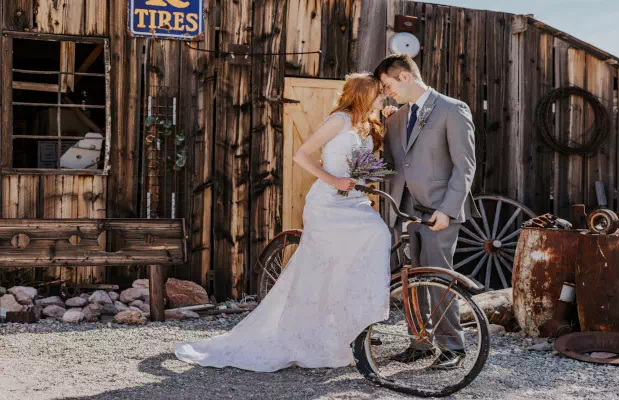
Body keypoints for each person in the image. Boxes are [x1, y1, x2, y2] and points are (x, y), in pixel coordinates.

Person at [172, 73, 392, 372]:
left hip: (354, 202)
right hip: (328, 203)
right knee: (324, 268)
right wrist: (335, 180)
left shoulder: (366, 125)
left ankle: (350, 328)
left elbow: (364, 164)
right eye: (380, 93)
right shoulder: (339, 120)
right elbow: (300, 155)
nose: (384, 97)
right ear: (365, 94)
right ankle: (304, 335)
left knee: (374, 239)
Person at [374, 54, 479, 370]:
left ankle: (453, 348)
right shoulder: (394, 119)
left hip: (438, 212)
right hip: (403, 212)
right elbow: (395, 164)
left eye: (388, 85)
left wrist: (448, 210)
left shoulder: (452, 109)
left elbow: (465, 166)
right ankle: (419, 343)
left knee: (437, 278)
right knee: (410, 280)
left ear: (405, 77)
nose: (387, 92)